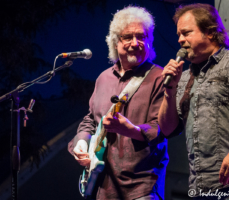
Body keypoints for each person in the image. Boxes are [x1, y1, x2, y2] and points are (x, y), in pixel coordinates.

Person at [158, 3, 229, 199]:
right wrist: (169, 90)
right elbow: (167, 129)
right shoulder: (183, 78)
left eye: (187, 33)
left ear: (209, 32)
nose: (180, 40)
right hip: (200, 185)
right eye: (179, 35)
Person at [68, 6, 167, 200]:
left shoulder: (160, 77)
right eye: (127, 37)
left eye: (142, 36)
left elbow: (163, 128)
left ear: (150, 41)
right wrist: (81, 142)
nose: (135, 42)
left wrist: (130, 129)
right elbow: (91, 120)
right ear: (115, 42)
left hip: (141, 188)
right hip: (102, 187)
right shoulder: (103, 78)